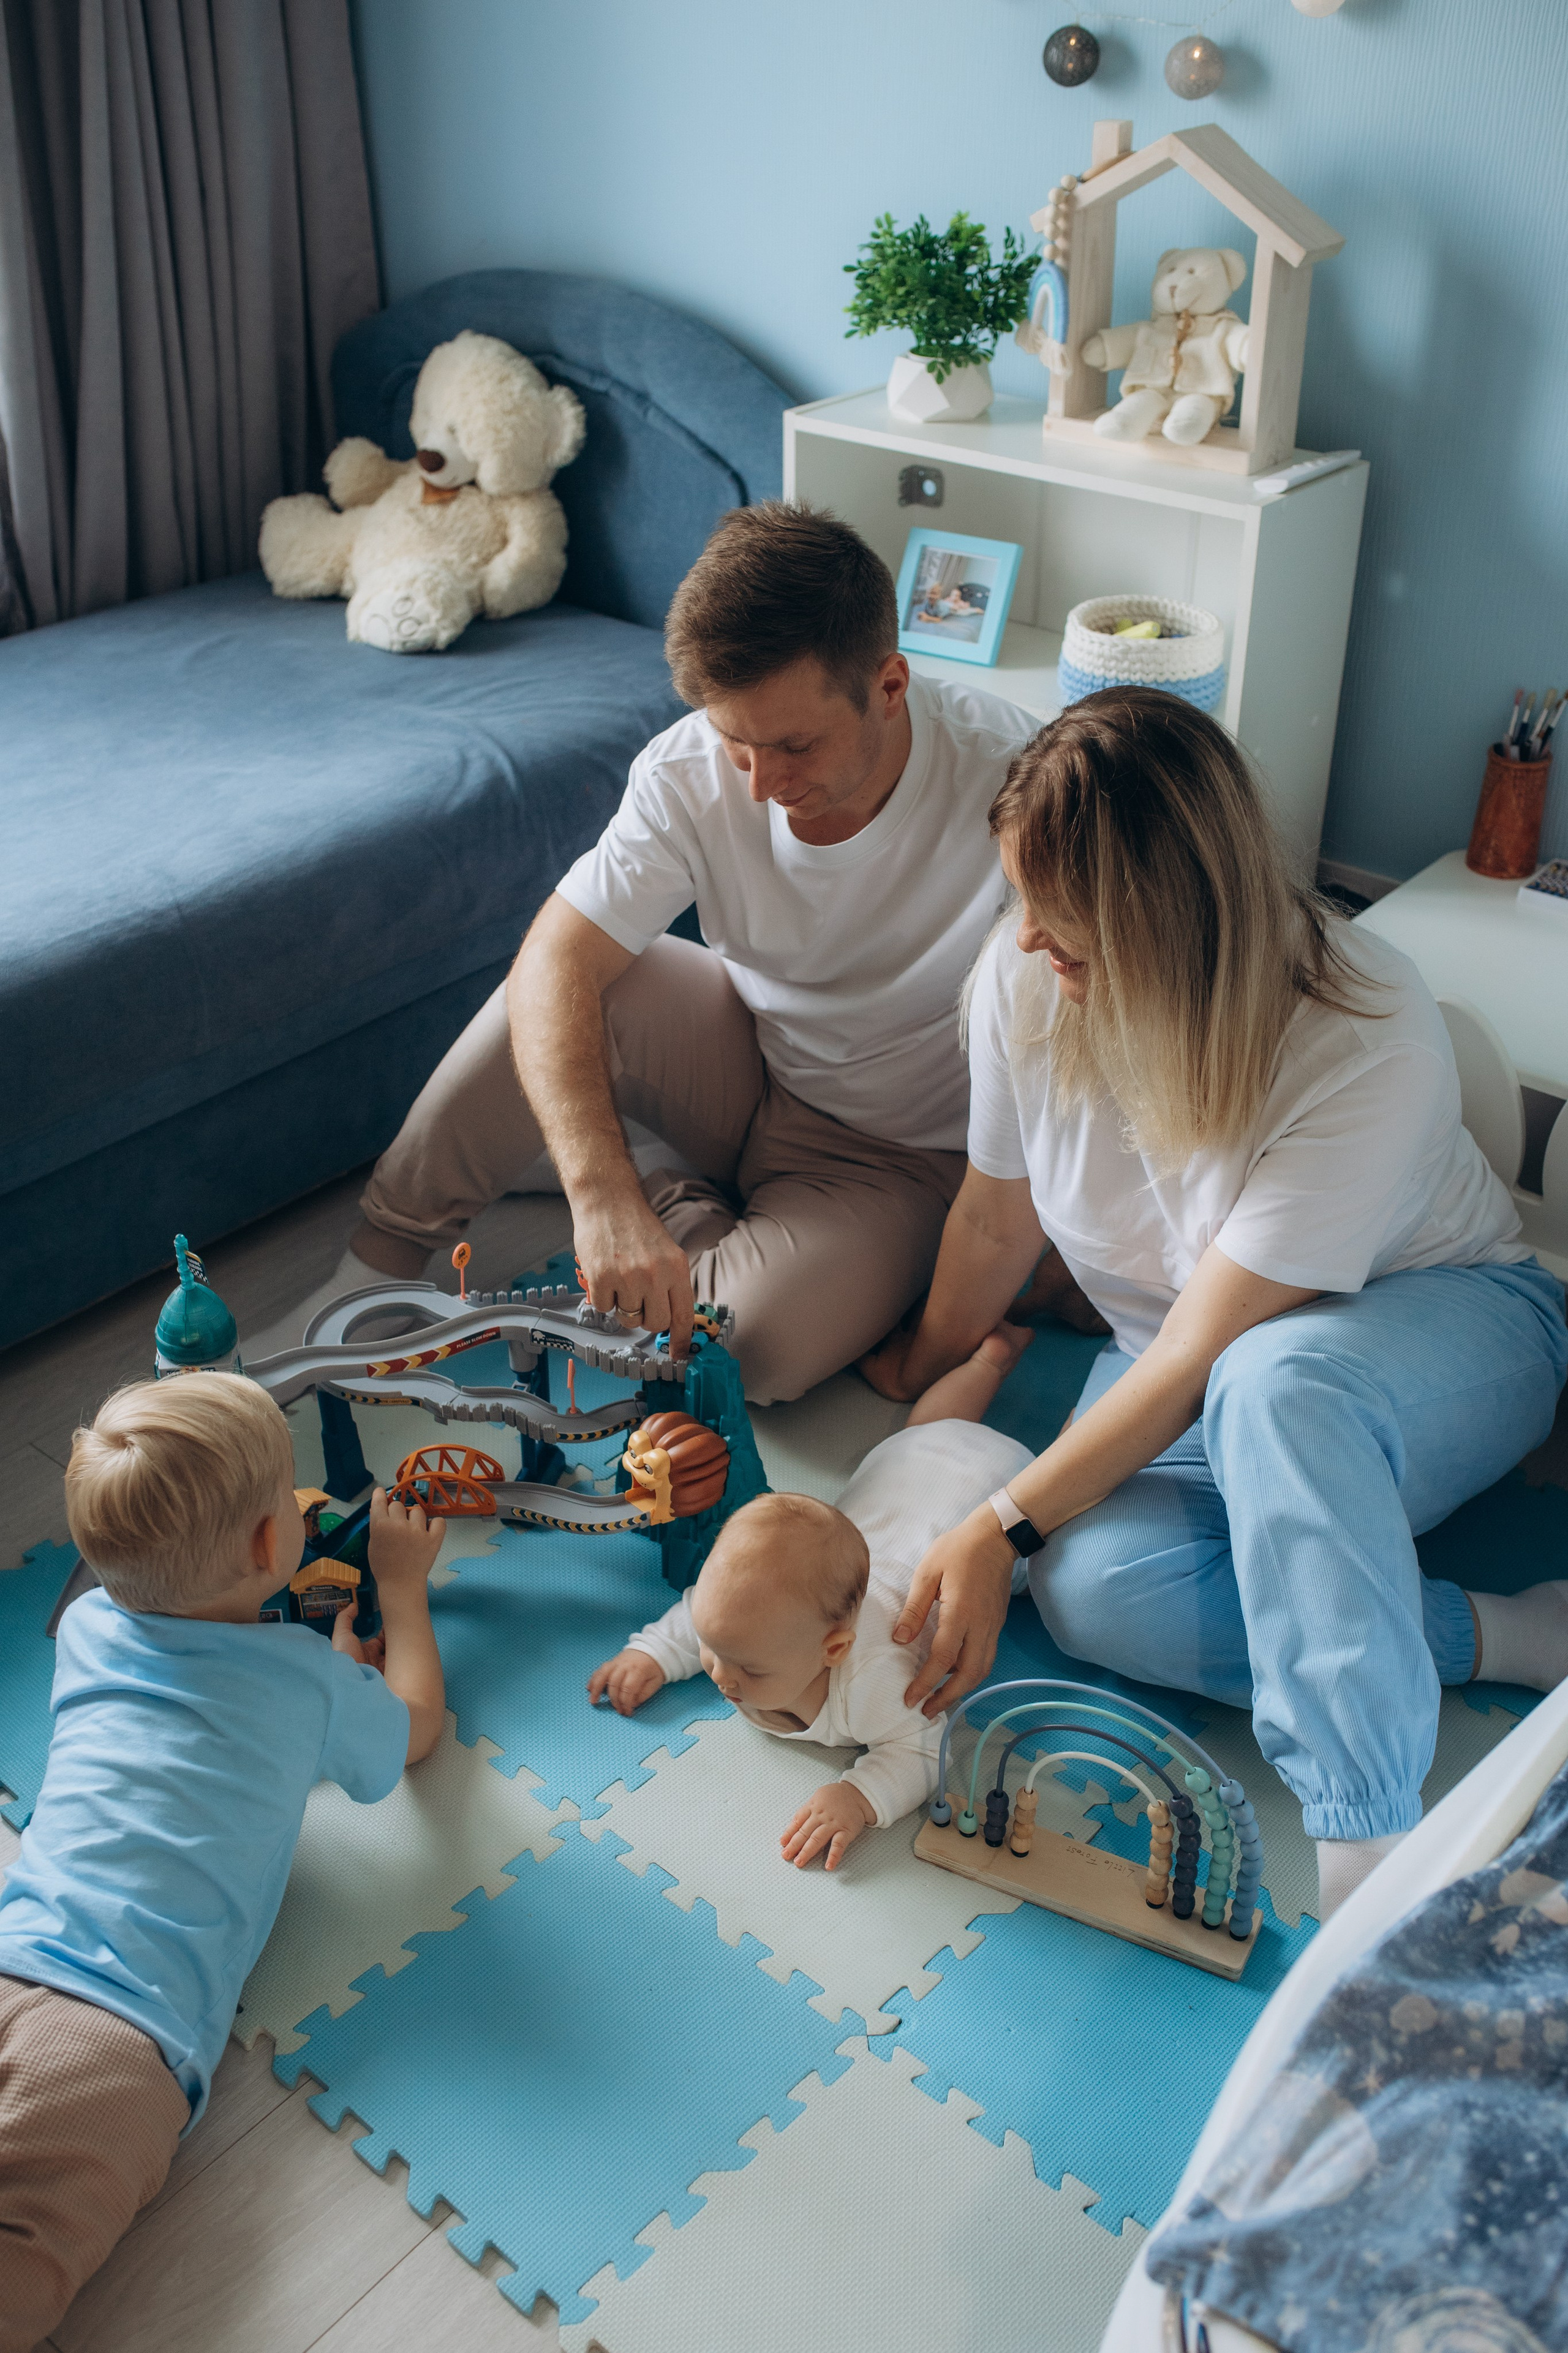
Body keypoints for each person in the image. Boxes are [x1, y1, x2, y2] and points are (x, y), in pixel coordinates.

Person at [862, 689, 1568, 1919]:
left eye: (1058, 915)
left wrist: (990, 1527)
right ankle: (1496, 1637)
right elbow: (992, 1212)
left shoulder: (1361, 1032)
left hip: (1447, 1325)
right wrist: (905, 1385)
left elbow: (1209, 1349)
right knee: (1085, 1591)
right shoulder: (1030, 981)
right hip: (1192, 1366)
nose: (1024, 938)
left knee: (1271, 1382)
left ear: (1164, 920)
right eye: (1019, 899)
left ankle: (1367, 1853)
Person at [250, 502, 1102, 1400]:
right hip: (750, 1057)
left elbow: (1113, 1029)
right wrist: (597, 1194)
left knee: (744, 1358)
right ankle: (371, 1277)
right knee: (559, 976)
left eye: (793, 746)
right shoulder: (689, 768)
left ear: (889, 685)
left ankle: (670, 1183)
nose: (763, 784)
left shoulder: (1016, 782)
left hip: (899, 1156)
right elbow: (556, 961)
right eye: (737, 743)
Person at [0, 1375, 446, 2349]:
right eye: (286, 1499)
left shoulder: (82, 1629)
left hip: (13, 1956)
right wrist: (402, 1592)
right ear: (262, 1546)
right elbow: (416, 1732)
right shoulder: (307, 1683)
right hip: (120, 2036)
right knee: (25, 2262)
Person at [588, 1413, 1036, 1871]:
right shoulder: (749, 1620)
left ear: (835, 1649)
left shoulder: (875, 1678)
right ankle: (981, 1361)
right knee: (922, 1432)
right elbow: (699, 1615)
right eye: (713, 1648)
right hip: (907, 1455)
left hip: (1008, 1492)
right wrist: (655, 1652)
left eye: (751, 1669)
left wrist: (858, 1796)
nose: (720, 1675)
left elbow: (921, 1749)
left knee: (1045, 1564)